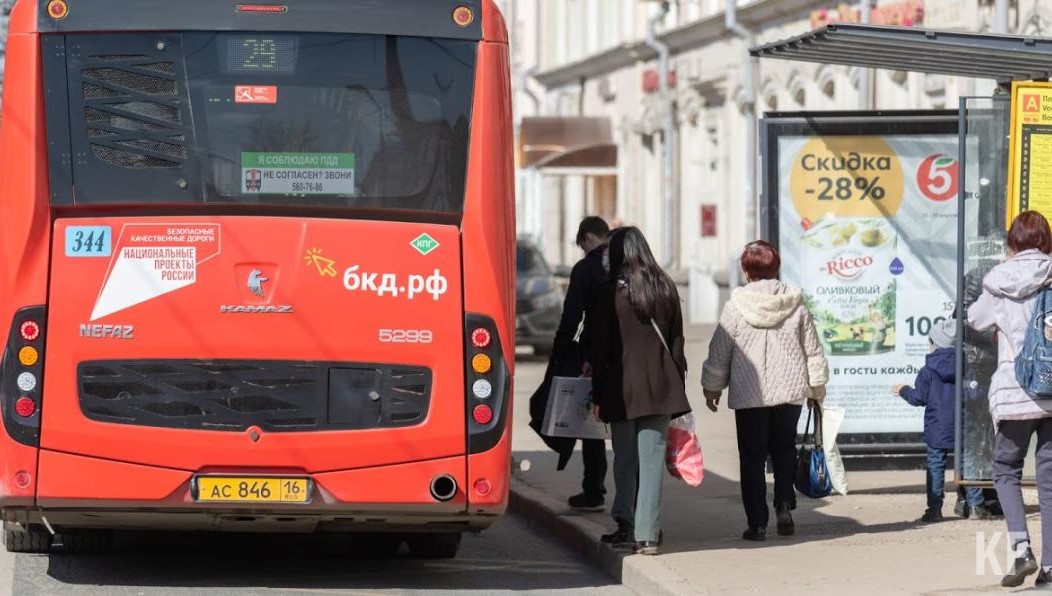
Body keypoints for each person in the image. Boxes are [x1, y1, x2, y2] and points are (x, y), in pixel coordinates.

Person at [701, 240, 828, 541]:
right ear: (776, 267)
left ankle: (757, 523)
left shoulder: (735, 307)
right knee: (785, 449)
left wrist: (712, 388)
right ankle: (784, 503)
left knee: (752, 457)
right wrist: (817, 389)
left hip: (749, 394)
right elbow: (812, 349)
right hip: (790, 391)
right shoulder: (795, 303)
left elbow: (720, 351)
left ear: (747, 271)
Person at [584, 226, 690, 555]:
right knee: (652, 461)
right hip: (661, 389)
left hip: (620, 390)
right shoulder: (665, 287)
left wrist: (597, 395)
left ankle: (626, 525)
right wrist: (676, 394)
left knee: (625, 461)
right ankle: (648, 534)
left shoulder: (609, 294)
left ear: (616, 254)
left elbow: (600, 352)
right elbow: (676, 343)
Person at [967, 211, 1052, 588]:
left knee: (1005, 470)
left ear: (1012, 243)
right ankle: (1051, 568)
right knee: (1049, 480)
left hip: (1016, 391)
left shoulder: (999, 282)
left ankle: (1021, 549)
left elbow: (975, 320)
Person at [892, 319, 989, 523]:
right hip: (965, 425)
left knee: (936, 465)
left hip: (938, 426)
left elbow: (918, 398)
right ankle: (975, 506)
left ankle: (934, 509)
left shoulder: (927, 371)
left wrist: (903, 390)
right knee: (970, 462)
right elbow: (976, 395)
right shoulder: (968, 366)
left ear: (934, 343)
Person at [557, 216, 610, 511]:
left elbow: (571, 317)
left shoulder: (586, 269)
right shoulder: (630, 265)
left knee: (592, 426)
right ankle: (639, 503)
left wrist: (560, 352)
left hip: (593, 358)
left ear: (588, 238)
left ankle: (594, 490)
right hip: (632, 357)